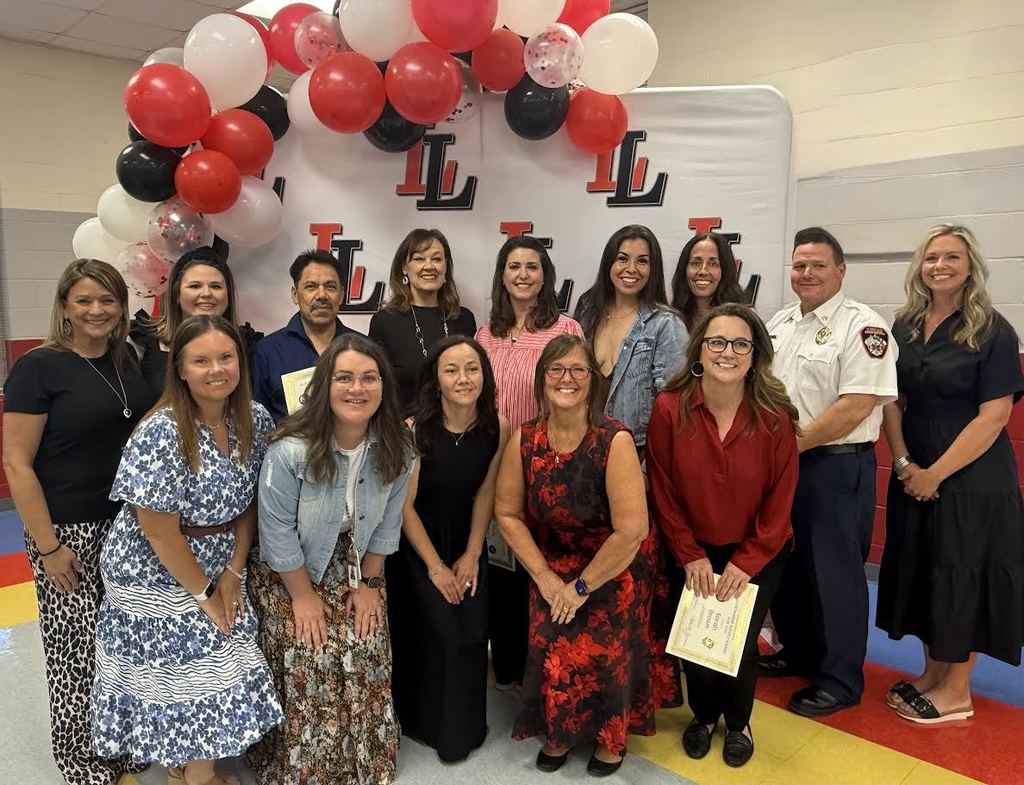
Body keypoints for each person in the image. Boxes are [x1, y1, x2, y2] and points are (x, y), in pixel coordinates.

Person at [90, 316, 283, 785]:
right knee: (196, 676)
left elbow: (249, 502)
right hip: (154, 569)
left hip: (218, 556)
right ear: (179, 368)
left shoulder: (254, 419)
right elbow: (159, 533)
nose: (216, 369)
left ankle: (189, 769)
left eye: (226, 357)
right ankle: (198, 777)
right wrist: (205, 594)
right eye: (201, 360)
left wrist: (234, 572)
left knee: (220, 660)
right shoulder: (161, 431)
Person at [2, 259, 155, 785]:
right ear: (65, 306)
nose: (97, 310)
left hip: (126, 527)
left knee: (122, 643)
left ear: (121, 307)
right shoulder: (38, 367)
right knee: (73, 650)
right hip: (66, 530)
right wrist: (47, 547)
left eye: (107, 300)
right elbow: (16, 463)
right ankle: (81, 759)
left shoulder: (126, 360)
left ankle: (123, 743)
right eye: (85, 300)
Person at [249, 333, 414, 785]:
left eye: (368, 378)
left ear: (383, 387)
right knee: (314, 650)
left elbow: (386, 526)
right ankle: (308, 767)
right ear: (324, 386)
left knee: (366, 639)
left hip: (356, 560)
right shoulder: (290, 449)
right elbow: (276, 531)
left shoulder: (398, 449)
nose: (356, 389)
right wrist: (302, 597)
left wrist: (369, 588)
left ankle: (363, 759)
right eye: (344, 378)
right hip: (289, 569)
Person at [877, 224, 1024, 724]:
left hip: (970, 475)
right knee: (924, 570)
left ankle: (957, 691)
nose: (939, 265)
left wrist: (935, 473)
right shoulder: (903, 325)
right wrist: (903, 464)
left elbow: (995, 416)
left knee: (963, 575)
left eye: (952, 257)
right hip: (913, 468)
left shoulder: (992, 329)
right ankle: (932, 674)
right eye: (931, 257)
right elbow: (892, 400)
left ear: (970, 266)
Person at [494, 335, 656, 777]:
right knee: (551, 630)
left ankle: (609, 738)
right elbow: (506, 513)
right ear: (542, 378)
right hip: (551, 562)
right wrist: (546, 578)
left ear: (591, 380)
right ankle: (560, 731)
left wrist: (582, 586)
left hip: (611, 564)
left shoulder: (614, 440)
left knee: (601, 637)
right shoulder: (525, 439)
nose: (567, 379)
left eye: (578, 370)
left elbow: (632, 531)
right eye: (556, 370)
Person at [647, 304, 798, 766]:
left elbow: (780, 500)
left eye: (740, 344)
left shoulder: (775, 416)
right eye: (717, 342)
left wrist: (746, 562)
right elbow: (662, 487)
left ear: (755, 355)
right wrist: (689, 555)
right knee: (695, 639)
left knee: (739, 642)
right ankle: (703, 716)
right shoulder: (670, 408)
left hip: (757, 551)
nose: (727, 352)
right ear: (699, 350)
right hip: (690, 548)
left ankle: (738, 723)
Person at [761, 227, 898, 717]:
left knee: (836, 575)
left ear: (841, 270)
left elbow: (858, 403)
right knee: (790, 567)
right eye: (799, 265)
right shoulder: (779, 323)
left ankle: (840, 680)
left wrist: (793, 445)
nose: (807, 273)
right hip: (783, 468)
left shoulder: (863, 326)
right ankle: (797, 653)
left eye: (818, 264)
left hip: (835, 467)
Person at [388, 336, 509, 761]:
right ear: (435, 380)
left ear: (485, 376)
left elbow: (486, 493)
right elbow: (403, 508)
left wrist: (473, 554)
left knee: (474, 630)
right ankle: (424, 722)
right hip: (418, 545)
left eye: (472, 369)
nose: (463, 378)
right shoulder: (414, 429)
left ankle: (466, 729)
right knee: (443, 630)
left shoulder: (498, 424)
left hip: (467, 539)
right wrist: (437, 568)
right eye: (451, 370)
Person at [475, 236, 584, 692]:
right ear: (502, 274)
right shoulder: (486, 333)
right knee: (501, 566)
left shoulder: (565, 330)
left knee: (541, 562)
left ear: (545, 275)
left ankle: (546, 665)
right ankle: (509, 665)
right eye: (514, 265)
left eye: (532, 266)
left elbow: (576, 394)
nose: (523, 274)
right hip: (491, 462)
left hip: (544, 462)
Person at [575, 225, 688, 453]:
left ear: (653, 269)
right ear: (609, 263)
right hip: (582, 454)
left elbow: (676, 411)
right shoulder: (587, 315)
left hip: (636, 457)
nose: (631, 269)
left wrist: (647, 469)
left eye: (642, 261)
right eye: (622, 259)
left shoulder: (665, 324)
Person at [368, 229, 477, 415]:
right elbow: (375, 386)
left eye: (436, 259)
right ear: (404, 267)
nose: (429, 266)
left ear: (445, 268)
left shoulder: (464, 319)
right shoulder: (384, 322)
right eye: (419, 259)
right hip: (404, 433)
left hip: (457, 430)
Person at [129, 246, 261, 394]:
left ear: (228, 295)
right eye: (195, 286)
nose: (206, 293)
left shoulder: (249, 345)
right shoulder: (144, 342)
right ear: (176, 294)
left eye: (216, 286)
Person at [251, 250, 359, 423]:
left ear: (341, 295)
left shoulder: (362, 347)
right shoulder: (268, 350)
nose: (322, 295)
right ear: (295, 295)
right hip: (287, 449)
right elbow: (258, 420)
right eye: (311, 287)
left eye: (330, 287)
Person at [670, 233, 747, 331]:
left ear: (725, 271)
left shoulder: (742, 321)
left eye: (713, 264)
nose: (703, 271)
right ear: (684, 269)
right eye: (696, 263)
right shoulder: (669, 322)